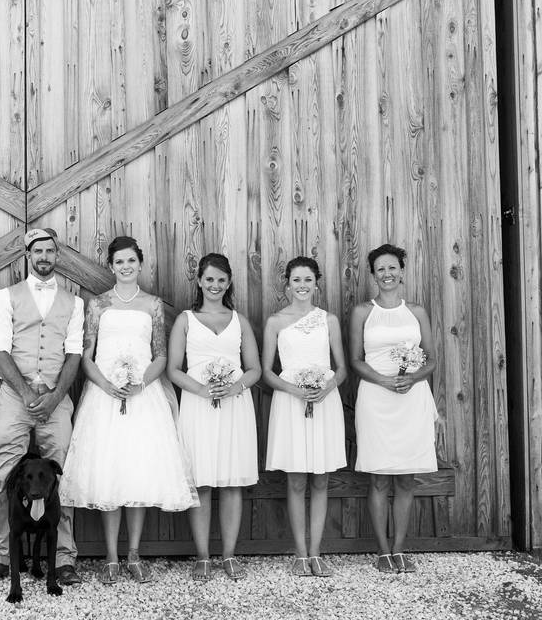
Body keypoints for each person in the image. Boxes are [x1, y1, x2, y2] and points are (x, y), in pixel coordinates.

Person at [59, 236, 198, 585]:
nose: (125, 267)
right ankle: (109, 556)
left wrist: (140, 384)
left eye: (131, 261)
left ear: (140, 263)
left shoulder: (152, 305)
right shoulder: (98, 304)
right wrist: (105, 384)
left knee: (137, 473)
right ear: (111, 266)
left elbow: (161, 355)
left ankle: (133, 553)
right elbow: (86, 356)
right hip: (103, 397)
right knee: (108, 474)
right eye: (119, 262)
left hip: (143, 396)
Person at [0, 228, 83, 587]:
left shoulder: (74, 302)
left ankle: (64, 557)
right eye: (38, 251)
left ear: (57, 256)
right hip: (14, 397)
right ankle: (0, 556)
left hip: (56, 396)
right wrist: (25, 393)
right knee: (4, 474)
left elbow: (74, 354)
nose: (44, 257)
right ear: (28, 255)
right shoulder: (6, 297)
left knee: (63, 476)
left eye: (50, 251)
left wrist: (53, 397)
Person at [166, 253, 261, 582]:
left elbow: (255, 369)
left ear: (229, 282)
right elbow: (173, 369)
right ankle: (204, 556)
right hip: (198, 405)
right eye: (209, 279)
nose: (215, 285)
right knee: (203, 482)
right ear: (199, 281)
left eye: (221, 280)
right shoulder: (186, 320)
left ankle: (230, 555)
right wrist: (202, 390)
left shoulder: (240, 320)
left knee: (233, 483)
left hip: (235, 405)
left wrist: (234, 387)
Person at [349, 244, 438, 574]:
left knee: (406, 479)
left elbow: (431, 357)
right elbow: (356, 359)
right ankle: (382, 551)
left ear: (402, 270)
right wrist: (385, 381)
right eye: (380, 270)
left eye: (392, 268)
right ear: (373, 275)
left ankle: (400, 549)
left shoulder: (416, 311)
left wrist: (412, 377)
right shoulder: (363, 312)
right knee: (379, 478)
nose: (386, 274)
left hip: (411, 397)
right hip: (376, 397)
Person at [262, 256, 348, 577]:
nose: (302, 286)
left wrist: (326, 388)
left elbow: (341, 368)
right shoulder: (275, 322)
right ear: (287, 284)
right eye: (296, 280)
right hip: (290, 400)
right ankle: (300, 554)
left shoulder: (330, 320)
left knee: (322, 478)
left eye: (308, 280)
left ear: (317, 284)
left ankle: (317, 552)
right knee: (296, 479)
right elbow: (267, 372)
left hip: (324, 399)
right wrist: (294, 390)